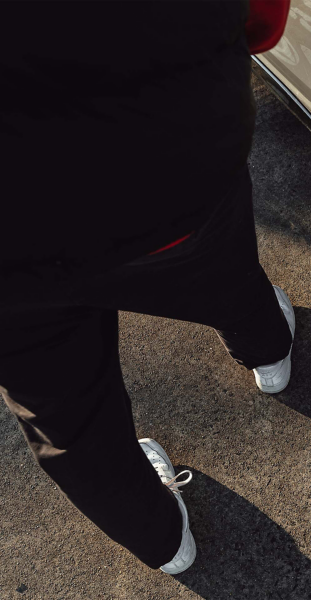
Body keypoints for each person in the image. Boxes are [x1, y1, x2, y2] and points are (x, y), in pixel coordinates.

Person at [0, 0, 290, 573]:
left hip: (11, 262)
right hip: (172, 169)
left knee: (70, 419)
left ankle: (167, 546)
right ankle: (270, 358)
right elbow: (263, 20)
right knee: (225, 273)